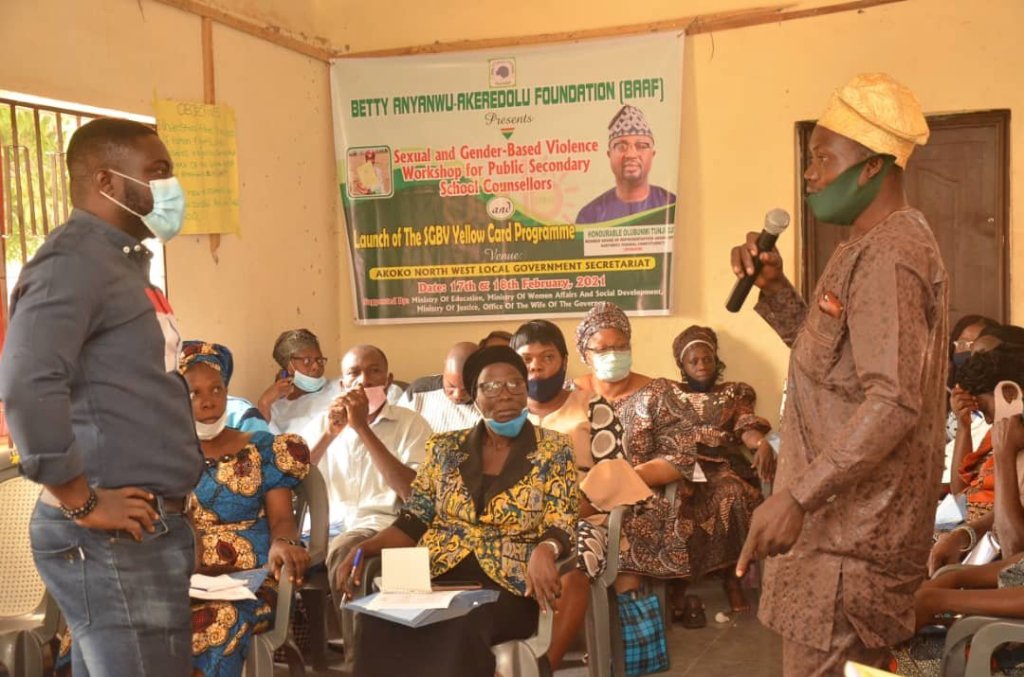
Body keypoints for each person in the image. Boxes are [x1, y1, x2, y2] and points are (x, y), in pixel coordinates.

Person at [731, 73, 947, 675]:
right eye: (810, 158)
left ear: (873, 166)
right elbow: (831, 367)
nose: (810, 173)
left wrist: (797, 496)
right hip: (830, 540)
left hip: (849, 547)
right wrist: (775, 289)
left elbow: (893, 402)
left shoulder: (892, 254)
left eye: (824, 158)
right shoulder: (863, 246)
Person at [0, 117, 202, 675]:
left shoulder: (122, 264)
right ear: (107, 182)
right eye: (157, 171)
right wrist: (81, 501)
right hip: (111, 533)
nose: (170, 186)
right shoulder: (72, 263)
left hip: (142, 529)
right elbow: (27, 381)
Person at [54, 341, 313, 676]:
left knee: (213, 624)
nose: (208, 401)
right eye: (193, 393)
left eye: (216, 389)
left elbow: (281, 519)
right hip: (171, 580)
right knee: (96, 622)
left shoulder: (262, 449)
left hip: (246, 583)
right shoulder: (153, 457)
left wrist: (284, 543)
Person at [336, 345, 580, 676]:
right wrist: (364, 548)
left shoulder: (553, 448)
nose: (504, 394)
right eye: (490, 387)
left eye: (514, 384)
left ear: (526, 390)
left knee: (459, 625)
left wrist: (545, 549)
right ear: (474, 397)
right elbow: (415, 519)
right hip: (437, 579)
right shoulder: (446, 448)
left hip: (508, 586)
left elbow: (561, 519)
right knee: (377, 619)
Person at [573, 302, 761, 624]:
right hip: (579, 498)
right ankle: (579, 626)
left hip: (642, 498)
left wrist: (618, 483)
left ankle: (628, 625)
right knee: (553, 539)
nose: (613, 354)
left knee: (623, 534)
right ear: (584, 353)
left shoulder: (657, 392)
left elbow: (680, 457)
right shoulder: (571, 394)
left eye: (620, 346)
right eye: (602, 349)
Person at [512, 319, 649, 668]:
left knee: (573, 568)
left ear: (564, 361)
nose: (536, 367)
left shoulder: (593, 407)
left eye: (547, 357)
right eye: (526, 359)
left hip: (582, 517)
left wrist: (558, 520)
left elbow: (613, 474)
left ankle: (544, 667)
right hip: (512, 520)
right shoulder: (503, 412)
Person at [311, 344, 432, 664]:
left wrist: (362, 428)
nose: (363, 381)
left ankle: (358, 663)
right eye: (354, 373)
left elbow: (414, 494)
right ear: (342, 384)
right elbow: (296, 480)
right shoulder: (325, 424)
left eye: (373, 371)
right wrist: (329, 435)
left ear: (388, 381)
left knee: (349, 552)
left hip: (385, 525)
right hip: (329, 526)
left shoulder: (411, 425)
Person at [895, 414, 1024, 675]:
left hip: (1007, 644)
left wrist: (941, 599)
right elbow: (1020, 562)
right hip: (998, 626)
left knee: (892, 655)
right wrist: (954, 580)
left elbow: (1014, 545)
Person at [928, 345, 1024, 574]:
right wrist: (964, 426)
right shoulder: (1001, 438)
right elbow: (962, 495)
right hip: (972, 538)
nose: (989, 420)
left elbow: (1014, 555)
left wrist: (1004, 455)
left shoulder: (1010, 446)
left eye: (986, 409)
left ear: (1010, 394)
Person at [672, 325, 776, 489]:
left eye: (707, 359)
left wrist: (761, 443)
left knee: (731, 490)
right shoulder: (671, 395)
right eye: (694, 362)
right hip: (683, 468)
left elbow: (746, 426)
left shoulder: (734, 392)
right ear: (682, 366)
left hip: (724, 468)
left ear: (716, 361)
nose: (702, 366)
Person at [575, 104, 676, 225]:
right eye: (621, 147)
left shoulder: (672, 206)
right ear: (609, 154)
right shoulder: (591, 216)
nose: (631, 154)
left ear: (652, 154)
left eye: (641, 146)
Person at [943, 315, 999, 485]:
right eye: (962, 344)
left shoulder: (996, 409)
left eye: (975, 346)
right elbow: (960, 490)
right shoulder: (945, 396)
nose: (968, 352)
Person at [258, 328, 341, 440]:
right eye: (307, 361)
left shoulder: (339, 387)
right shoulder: (276, 410)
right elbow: (271, 444)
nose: (316, 366)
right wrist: (264, 404)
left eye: (319, 360)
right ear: (290, 367)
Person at [398, 341, 482, 432]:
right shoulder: (417, 392)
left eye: (466, 389)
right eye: (451, 386)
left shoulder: (487, 403)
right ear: (445, 369)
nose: (457, 395)